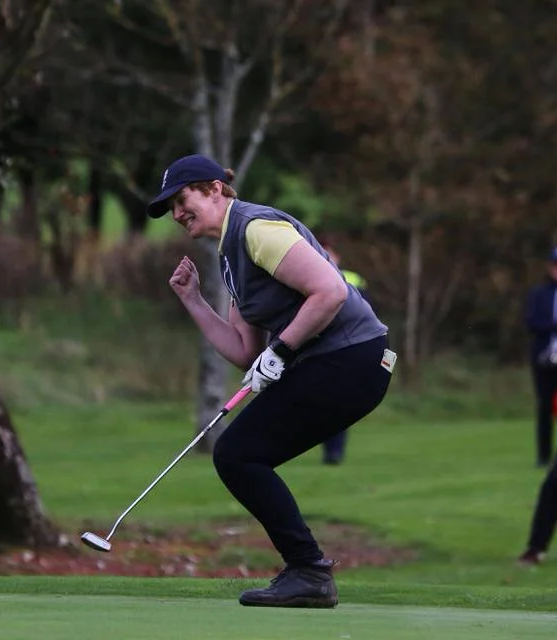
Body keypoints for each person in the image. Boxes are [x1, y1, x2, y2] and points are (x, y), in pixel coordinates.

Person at [148, 154, 396, 608]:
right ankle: (307, 569)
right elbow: (245, 350)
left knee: (239, 453)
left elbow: (331, 291)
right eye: (170, 208)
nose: (177, 213)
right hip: (334, 363)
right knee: (240, 454)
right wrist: (193, 300)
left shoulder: (255, 229)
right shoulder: (230, 256)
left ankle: (309, 570)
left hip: (352, 358)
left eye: (182, 199)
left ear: (214, 188)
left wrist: (280, 351)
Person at [319, 242, 373, 466]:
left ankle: (336, 452)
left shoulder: (354, 279)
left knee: (340, 404)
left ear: (337, 256)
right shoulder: (307, 275)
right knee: (322, 405)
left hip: (349, 347)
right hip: (321, 349)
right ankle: (328, 451)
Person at [525, 247, 557, 468]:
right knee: (545, 406)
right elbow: (531, 323)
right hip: (545, 357)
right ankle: (544, 456)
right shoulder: (540, 294)